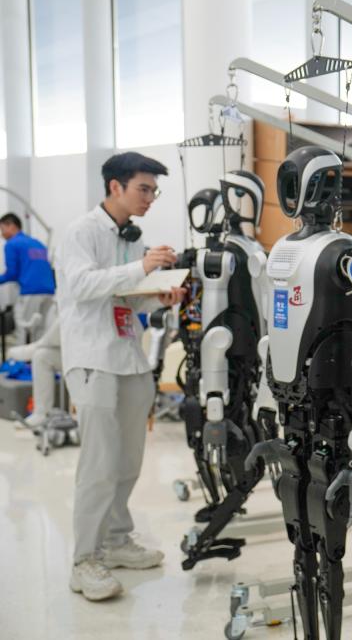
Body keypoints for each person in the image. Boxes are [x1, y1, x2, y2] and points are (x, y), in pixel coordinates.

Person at [56, 151, 185, 601]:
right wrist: (142, 267)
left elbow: (127, 297)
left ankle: (114, 541)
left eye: (154, 191)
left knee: (128, 461)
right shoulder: (81, 232)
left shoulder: (133, 238)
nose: (149, 198)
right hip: (93, 358)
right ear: (115, 186)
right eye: (143, 189)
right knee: (99, 464)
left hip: (129, 358)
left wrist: (159, 296)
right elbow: (81, 285)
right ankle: (84, 561)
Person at [0, 212, 56, 344]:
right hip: (49, 291)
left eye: (2, 229)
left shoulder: (12, 244)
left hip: (31, 292)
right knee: (42, 330)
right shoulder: (38, 244)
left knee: (24, 329)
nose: (2, 234)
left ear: (11, 226)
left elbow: (12, 273)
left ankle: (22, 356)